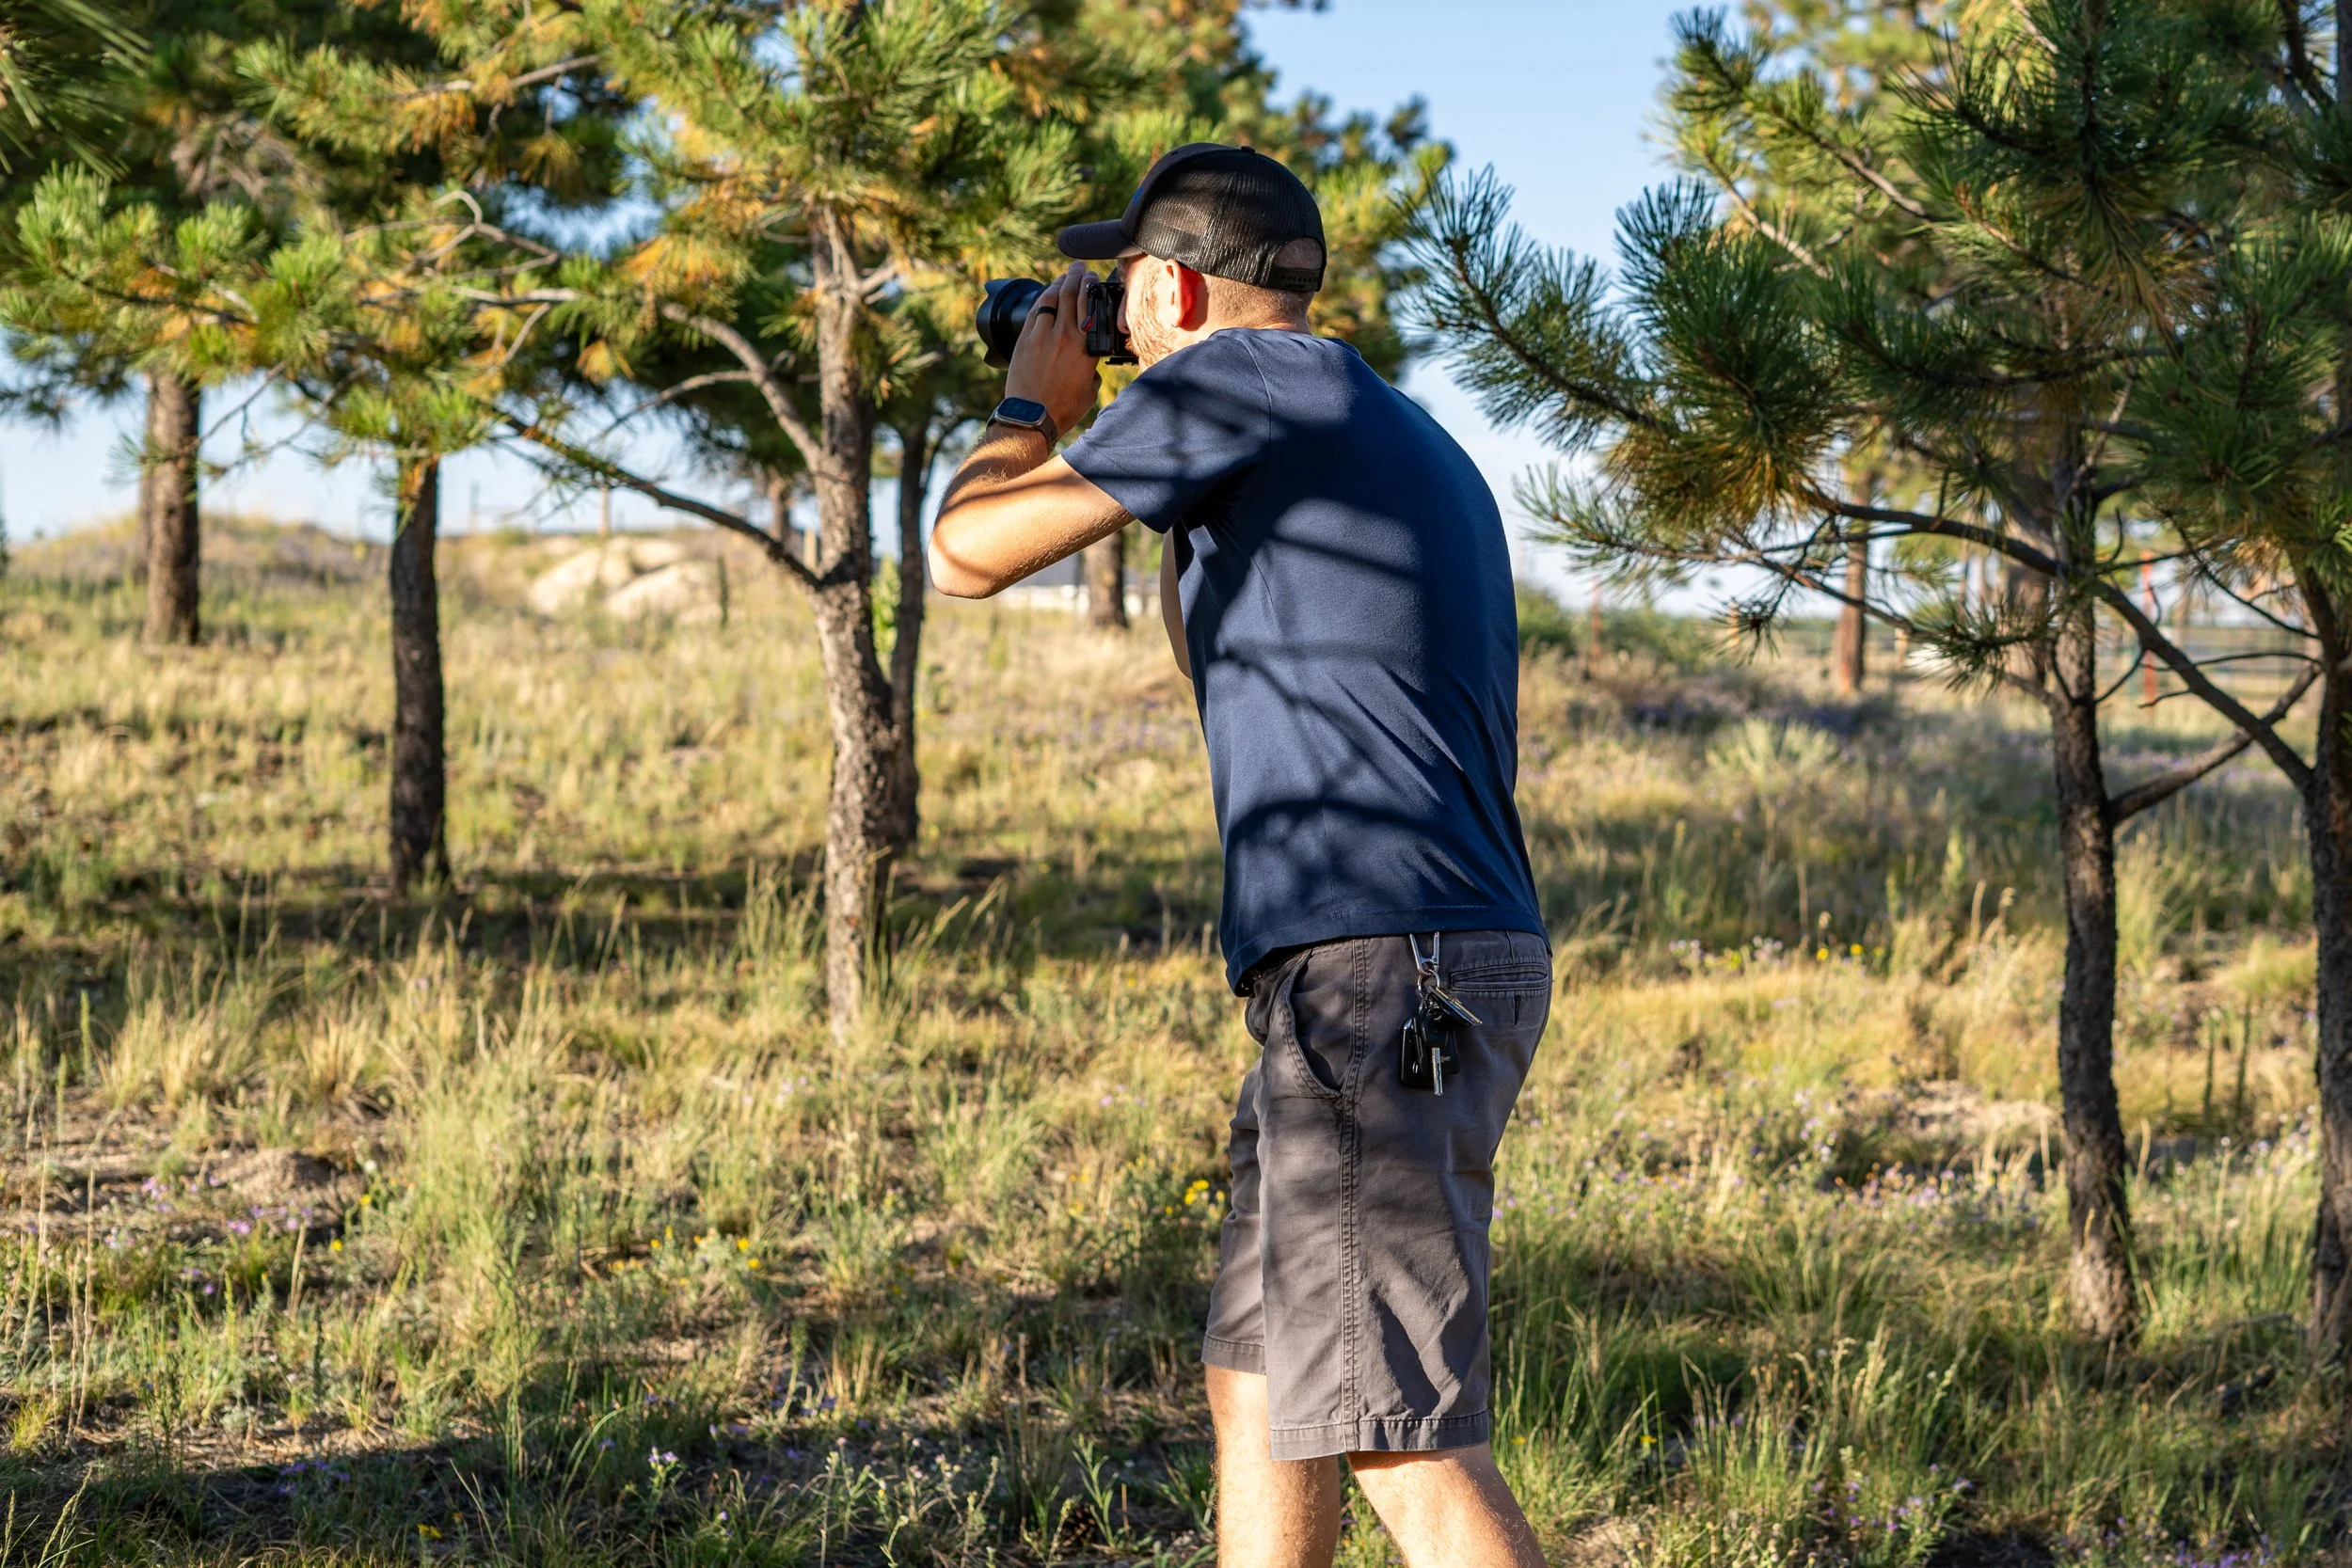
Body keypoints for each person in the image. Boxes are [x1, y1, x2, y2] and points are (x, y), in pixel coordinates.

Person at [929, 143, 1551, 1568]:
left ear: (1171, 286)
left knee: (1400, 1434)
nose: (1111, 322)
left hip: (1377, 966)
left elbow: (964, 553)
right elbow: (1206, 659)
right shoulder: (1364, 413)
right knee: (1264, 1388)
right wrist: (1153, 475)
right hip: (1399, 956)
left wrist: (1032, 405)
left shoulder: (1239, 382)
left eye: (1122, 294)